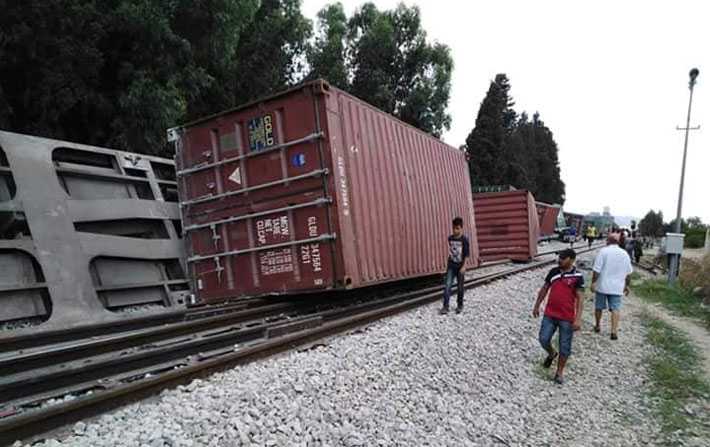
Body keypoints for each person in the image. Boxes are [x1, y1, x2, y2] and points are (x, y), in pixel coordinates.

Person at [532, 249, 585, 385]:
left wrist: (578, 318)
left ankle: (559, 372)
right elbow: (544, 289)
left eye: (563, 258)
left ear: (572, 260)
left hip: (567, 317)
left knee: (565, 345)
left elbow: (580, 298)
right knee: (543, 339)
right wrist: (537, 305)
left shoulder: (577, 276)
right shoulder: (553, 272)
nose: (560, 260)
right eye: (560, 257)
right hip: (550, 314)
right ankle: (551, 353)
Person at [591, 234, 633, 340]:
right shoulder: (624, 254)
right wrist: (627, 285)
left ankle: (597, 325)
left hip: (602, 285)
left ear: (608, 241)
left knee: (599, 307)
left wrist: (593, 282)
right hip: (617, 287)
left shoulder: (603, 251)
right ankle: (613, 331)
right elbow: (628, 273)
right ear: (618, 242)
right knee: (615, 308)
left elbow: (596, 270)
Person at [441, 216, 470, 315]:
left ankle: (460, 305)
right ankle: (445, 306)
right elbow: (450, 251)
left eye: (457, 228)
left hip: (460, 267)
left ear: (461, 228)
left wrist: (464, 266)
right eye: (453, 228)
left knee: (460, 287)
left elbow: (466, 254)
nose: (455, 230)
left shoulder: (464, 240)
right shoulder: (450, 238)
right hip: (451, 266)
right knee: (447, 285)